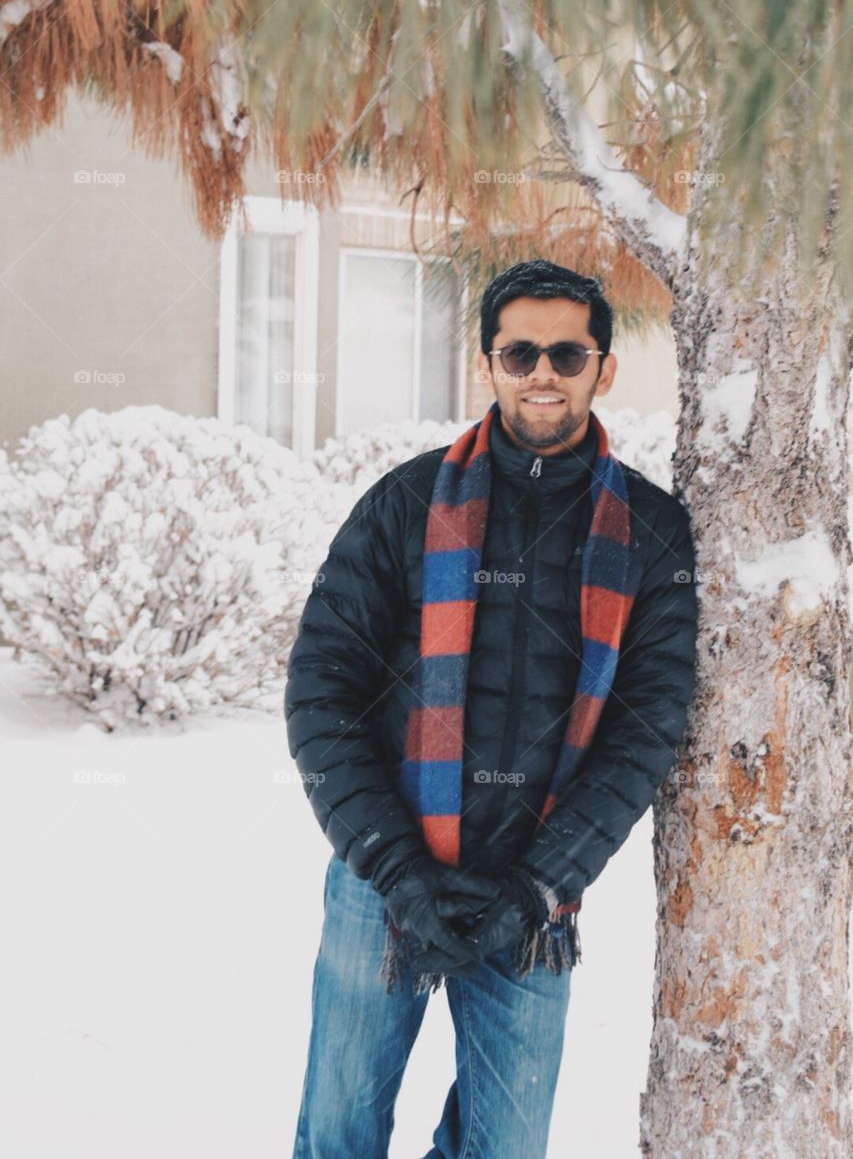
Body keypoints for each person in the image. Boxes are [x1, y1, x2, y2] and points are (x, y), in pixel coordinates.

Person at [285, 259, 699, 1158]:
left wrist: (538, 886)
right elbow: (322, 691)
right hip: (382, 886)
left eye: (565, 351)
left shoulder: (654, 532)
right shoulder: (404, 503)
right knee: (337, 1131)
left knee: (503, 1147)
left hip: (533, 896)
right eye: (519, 352)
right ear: (488, 364)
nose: (541, 371)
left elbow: (645, 730)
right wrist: (394, 869)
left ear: (602, 367)